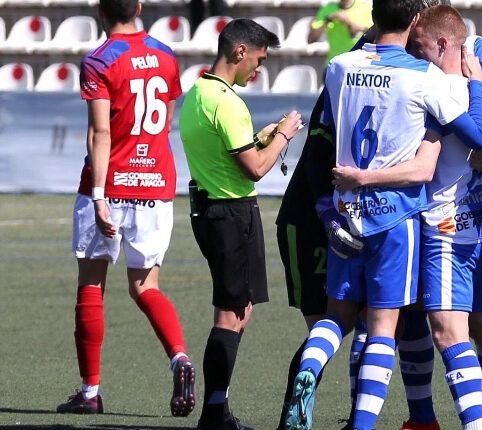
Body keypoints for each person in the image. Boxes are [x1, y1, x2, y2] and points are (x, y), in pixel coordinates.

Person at [284, 0, 482, 428]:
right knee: (381, 329)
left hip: (346, 214)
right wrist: (475, 84)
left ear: (373, 16)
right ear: (416, 21)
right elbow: (476, 136)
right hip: (395, 217)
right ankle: (361, 426)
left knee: (336, 316)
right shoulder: (425, 77)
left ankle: (308, 369)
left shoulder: (339, 67)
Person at [58, 0, 195, 418]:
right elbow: (163, 122)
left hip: (111, 183)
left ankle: (90, 391)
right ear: (138, 7)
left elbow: (101, 133)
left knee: (91, 285)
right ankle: (180, 359)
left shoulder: (99, 59)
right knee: (146, 287)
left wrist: (99, 196)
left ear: (99, 10)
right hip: (155, 184)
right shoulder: (166, 55)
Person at [178, 18, 303, 430]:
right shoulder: (229, 102)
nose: (259, 70)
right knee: (231, 314)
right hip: (231, 214)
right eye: (260, 60)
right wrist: (284, 135)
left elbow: (228, 154)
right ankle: (214, 413)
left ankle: (218, 409)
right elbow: (254, 169)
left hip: (211, 208)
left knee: (238, 309)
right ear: (240, 52)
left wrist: (262, 137)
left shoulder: (198, 91)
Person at [309, 0, 373, 63]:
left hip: (358, 63)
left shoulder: (364, 7)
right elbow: (311, 38)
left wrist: (350, 24)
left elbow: (375, 33)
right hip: (334, 63)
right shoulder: (327, 9)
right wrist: (329, 18)